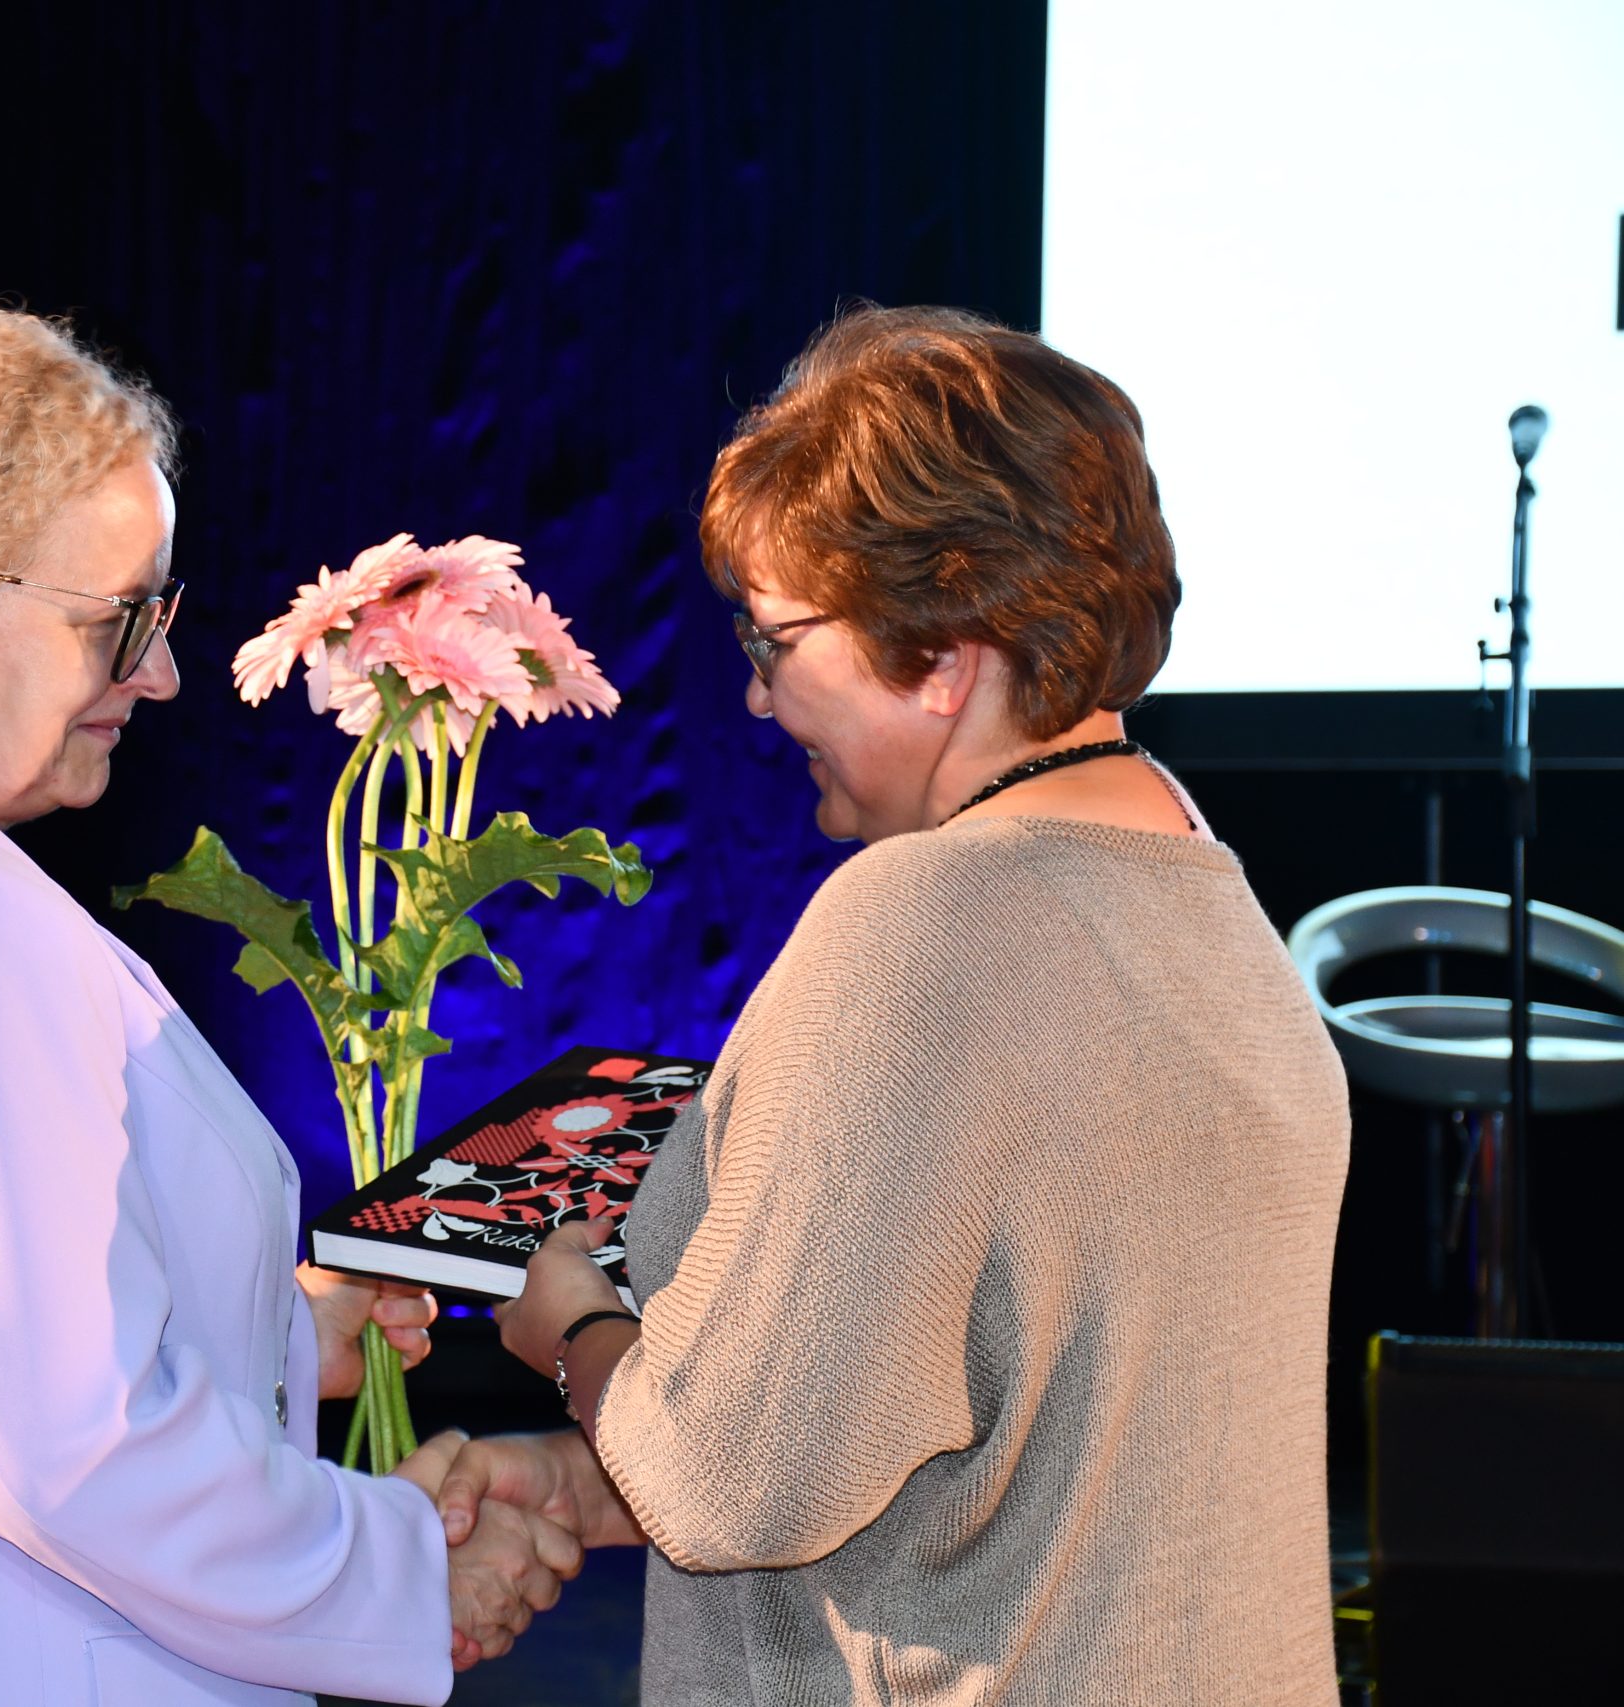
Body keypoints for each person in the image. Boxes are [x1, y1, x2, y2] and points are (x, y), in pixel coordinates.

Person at [0, 293, 577, 1706]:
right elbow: (82, 1456)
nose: (165, 673)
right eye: (119, 618)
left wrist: (281, 1331)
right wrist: (405, 1569)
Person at [435, 305, 1350, 1704]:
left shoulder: (923, 919)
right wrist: (582, 1479)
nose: (757, 700)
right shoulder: (1207, 897)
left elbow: (730, 1482)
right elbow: (994, 1465)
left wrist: (567, 1327)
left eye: (778, 639)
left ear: (945, 650)